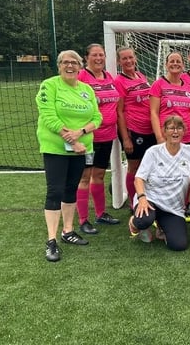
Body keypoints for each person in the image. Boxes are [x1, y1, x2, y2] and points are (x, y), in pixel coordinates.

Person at [36, 50, 102, 262]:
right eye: (65, 62)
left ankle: (68, 231)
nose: (70, 66)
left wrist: (81, 134)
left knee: (70, 189)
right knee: (54, 191)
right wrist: (72, 141)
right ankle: (51, 240)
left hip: (81, 148)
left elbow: (97, 117)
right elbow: (49, 117)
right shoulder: (49, 85)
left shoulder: (86, 89)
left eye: (74, 62)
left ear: (80, 66)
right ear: (59, 65)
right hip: (56, 148)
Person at [129, 116, 190, 251]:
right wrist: (142, 199)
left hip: (174, 207)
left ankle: (161, 226)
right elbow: (139, 178)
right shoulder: (153, 152)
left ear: (184, 131)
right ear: (164, 131)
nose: (175, 132)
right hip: (151, 200)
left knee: (178, 245)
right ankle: (134, 223)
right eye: (171, 128)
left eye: (179, 128)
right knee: (144, 220)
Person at [76, 43, 121, 234]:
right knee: (84, 177)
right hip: (89, 138)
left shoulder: (108, 77)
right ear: (86, 57)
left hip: (107, 135)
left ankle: (101, 213)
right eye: (94, 55)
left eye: (101, 55)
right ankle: (83, 219)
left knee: (100, 175)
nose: (98, 58)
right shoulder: (81, 77)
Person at [150, 51, 190, 221]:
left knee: (186, 172)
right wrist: (159, 136)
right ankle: (163, 205)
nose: (175, 64)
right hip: (168, 136)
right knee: (166, 172)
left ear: (183, 65)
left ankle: (184, 204)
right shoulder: (158, 85)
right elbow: (154, 112)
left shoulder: (188, 87)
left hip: (188, 136)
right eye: (172, 61)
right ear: (166, 64)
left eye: (178, 61)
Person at [114, 46, 155, 210]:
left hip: (150, 129)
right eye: (124, 58)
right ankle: (133, 202)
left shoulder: (141, 76)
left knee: (149, 166)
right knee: (134, 167)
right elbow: (119, 111)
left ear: (135, 58)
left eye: (130, 57)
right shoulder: (119, 81)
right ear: (119, 61)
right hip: (134, 130)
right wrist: (125, 138)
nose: (128, 61)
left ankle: (148, 197)